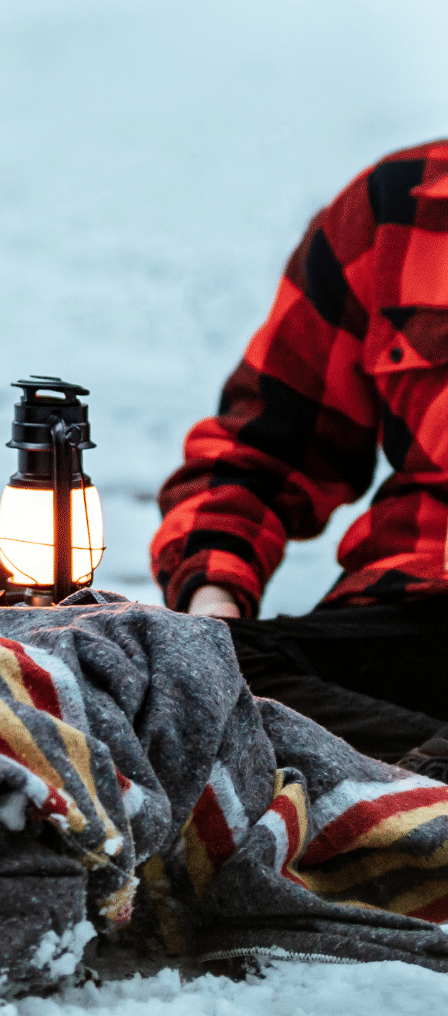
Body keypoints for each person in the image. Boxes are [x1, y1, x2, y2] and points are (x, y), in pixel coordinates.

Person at [150, 138, 448, 774]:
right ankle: (411, 780)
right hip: (408, 625)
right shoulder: (398, 204)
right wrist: (213, 610)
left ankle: (391, 786)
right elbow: (259, 452)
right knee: (162, 675)